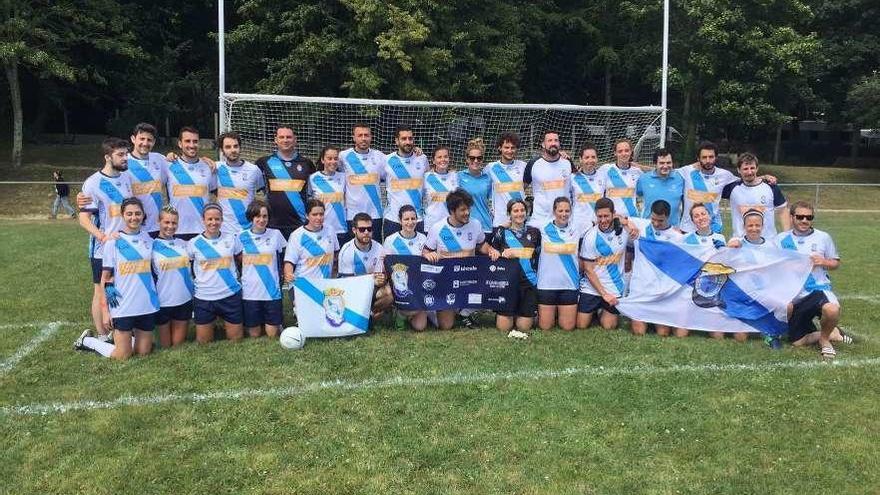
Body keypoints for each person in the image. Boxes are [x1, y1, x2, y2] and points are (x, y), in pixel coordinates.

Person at [74, 198, 158, 360]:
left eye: (138, 214)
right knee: (122, 355)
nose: (134, 217)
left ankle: (124, 338)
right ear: (122, 216)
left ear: (143, 215)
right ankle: (88, 341)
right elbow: (105, 278)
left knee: (144, 352)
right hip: (122, 305)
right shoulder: (113, 242)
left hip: (146, 304)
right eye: (129, 214)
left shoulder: (149, 239)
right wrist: (106, 312)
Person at [776, 201, 848, 359]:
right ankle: (834, 333)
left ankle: (824, 340)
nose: (804, 220)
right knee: (796, 342)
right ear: (792, 217)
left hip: (818, 289)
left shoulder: (823, 237)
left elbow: (835, 263)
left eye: (809, 217)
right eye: (800, 216)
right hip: (794, 293)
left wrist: (823, 262)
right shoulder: (781, 239)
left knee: (832, 310)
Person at [78, 137, 133, 340]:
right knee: (100, 289)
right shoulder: (93, 183)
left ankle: (118, 328)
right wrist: (103, 237)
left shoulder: (127, 179)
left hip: (124, 245)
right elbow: (84, 219)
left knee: (119, 286)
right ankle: (102, 335)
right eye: (120, 154)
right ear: (107, 157)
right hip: (102, 248)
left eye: (126, 153)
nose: (125, 157)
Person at [423, 189, 500, 330]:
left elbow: (482, 244)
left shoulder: (475, 224)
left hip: (469, 278)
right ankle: (439, 310)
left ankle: (465, 312)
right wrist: (427, 255)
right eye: (463, 210)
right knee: (446, 326)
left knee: (494, 285)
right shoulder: (438, 228)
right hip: (446, 281)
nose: (467, 213)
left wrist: (491, 250)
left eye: (468, 209)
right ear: (452, 211)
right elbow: (426, 251)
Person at [188, 203, 244, 344]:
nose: (214, 222)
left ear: (222, 220)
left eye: (217, 219)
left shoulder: (231, 239)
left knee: (236, 340)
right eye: (210, 219)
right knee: (204, 342)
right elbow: (187, 268)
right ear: (203, 220)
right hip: (204, 297)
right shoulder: (193, 243)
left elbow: (242, 261)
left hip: (230, 294)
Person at [626, 199, 684, 336]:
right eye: (653, 219)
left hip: (661, 291)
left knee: (663, 333)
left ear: (668, 217)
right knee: (638, 332)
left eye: (660, 221)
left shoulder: (677, 237)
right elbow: (618, 217)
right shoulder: (641, 225)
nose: (656, 223)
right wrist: (629, 224)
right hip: (640, 289)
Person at [255, 125, 315, 240]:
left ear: (295, 139)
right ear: (276, 140)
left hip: (300, 223)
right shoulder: (264, 163)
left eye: (289, 137)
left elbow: (312, 192)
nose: (285, 140)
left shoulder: (307, 164)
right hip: (272, 224)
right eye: (281, 137)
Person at [577, 198, 629, 330]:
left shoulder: (624, 231)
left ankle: (600, 311)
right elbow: (588, 270)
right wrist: (604, 294)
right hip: (592, 287)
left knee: (609, 326)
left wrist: (629, 223)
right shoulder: (590, 236)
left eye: (606, 216)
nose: (603, 220)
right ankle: (594, 310)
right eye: (600, 216)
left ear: (614, 214)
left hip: (614, 287)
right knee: (581, 325)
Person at [490, 198, 541, 334]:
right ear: (509, 214)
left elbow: (538, 255)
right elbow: (493, 251)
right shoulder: (501, 232)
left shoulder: (535, 232)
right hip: (508, 283)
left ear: (527, 212)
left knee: (523, 327)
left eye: (522, 210)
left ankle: (531, 313)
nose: (519, 213)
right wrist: (496, 252)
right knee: (503, 328)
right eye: (515, 211)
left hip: (529, 282)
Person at [678, 203, 726, 339]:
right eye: (696, 216)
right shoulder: (686, 239)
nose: (700, 218)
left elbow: (724, 264)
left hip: (712, 288)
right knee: (681, 334)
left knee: (718, 336)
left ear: (710, 216)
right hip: (690, 289)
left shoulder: (720, 238)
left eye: (703, 214)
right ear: (692, 221)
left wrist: (724, 250)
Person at [726, 209, 774, 344]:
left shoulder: (771, 245)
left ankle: (767, 324)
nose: (754, 228)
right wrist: (728, 248)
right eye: (750, 225)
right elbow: (724, 261)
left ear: (763, 226)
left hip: (764, 295)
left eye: (757, 225)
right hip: (742, 295)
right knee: (740, 338)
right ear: (744, 227)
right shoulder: (736, 243)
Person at [150, 205, 194, 348]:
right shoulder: (151, 246)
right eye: (166, 222)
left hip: (184, 300)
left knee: (177, 346)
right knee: (165, 347)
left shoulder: (184, 244)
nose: (170, 226)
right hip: (163, 303)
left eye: (174, 223)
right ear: (159, 222)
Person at [536, 196, 580, 331]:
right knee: (545, 327)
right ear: (554, 211)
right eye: (560, 211)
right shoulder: (542, 227)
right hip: (546, 284)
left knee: (568, 327)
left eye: (567, 211)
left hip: (569, 284)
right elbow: (518, 220)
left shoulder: (577, 228)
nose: (564, 214)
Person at [722, 152, 789, 239]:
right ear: (738, 170)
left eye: (752, 168)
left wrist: (787, 236)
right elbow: (710, 191)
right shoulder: (732, 188)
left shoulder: (771, 187)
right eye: (745, 169)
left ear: (757, 168)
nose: (749, 172)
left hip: (768, 243)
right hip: (741, 244)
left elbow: (783, 211)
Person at [338, 212, 393, 318]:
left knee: (389, 293)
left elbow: (382, 275)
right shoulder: (347, 250)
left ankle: (369, 314)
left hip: (371, 288)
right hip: (352, 291)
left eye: (369, 229)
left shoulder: (379, 248)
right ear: (354, 230)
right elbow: (347, 283)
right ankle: (366, 314)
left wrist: (383, 278)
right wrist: (372, 280)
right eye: (362, 229)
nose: (366, 232)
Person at [166, 126, 216, 241]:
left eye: (195, 141)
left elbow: (220, 195)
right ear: (180, 143)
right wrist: (169, 155)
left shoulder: (209, 167)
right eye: (187, 141)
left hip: (203, 230)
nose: (192, 145)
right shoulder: (168, 165)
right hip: (175, 229)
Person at [383, 204, 428, 330]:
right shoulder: (391, 240)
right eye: (406, 219)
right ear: (400, 221)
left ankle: (405, 314)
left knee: (420, 327)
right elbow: (384, 264)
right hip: (398, 285)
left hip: (418, 285)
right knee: (388, 294)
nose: (410, 222)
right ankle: (400, 312)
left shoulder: (423, 238)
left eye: (413, 219)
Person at [339, 123, 386, 242]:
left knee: (374, 250)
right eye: (360, 135)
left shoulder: (380, 157)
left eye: (367, 135)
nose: (363, 138)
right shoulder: (343, 156)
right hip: (352, 214)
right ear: (353, 137)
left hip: (375, 214)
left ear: (371, 137)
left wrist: (416, 151)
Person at [677, 141, 738, 233]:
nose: (708, 160)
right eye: (704, 157)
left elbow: (745, 180)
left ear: (716, 158)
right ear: (698, 158)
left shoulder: (724, 175)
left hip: (713, 228)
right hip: (689, 229)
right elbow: (664, 172)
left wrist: (763, 177)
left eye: (711, 157)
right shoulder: (686, 171)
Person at [215, 131, 265, 235]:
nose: (233, 150)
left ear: (240, 147)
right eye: (228, 147)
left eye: (236, 146)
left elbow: (266, 193)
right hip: (224, 230)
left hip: (248, 230)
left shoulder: (254, 170)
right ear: (222, 150)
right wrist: (171, 156)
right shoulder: (216, 168)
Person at [383, 125, 428, 237]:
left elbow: (433, 176)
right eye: (404, 139)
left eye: (410, 138)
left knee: (418, 254)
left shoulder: (422, 159)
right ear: (396, 141)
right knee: (392, 254)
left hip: (416, 219)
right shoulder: (386, 160)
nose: (408, 142)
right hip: (393, 219)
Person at [283, 199, 339, 291]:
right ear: (307, 216)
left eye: (321, 214)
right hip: (303, 285)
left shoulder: (330, 230)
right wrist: (288, 276)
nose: (318, 218)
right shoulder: (297, 235)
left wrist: (334, 277)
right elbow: (289, 262)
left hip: (325, 285)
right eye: (314, 214)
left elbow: (336, 255)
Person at [126, 123, 168, 237]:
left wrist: (205, 161)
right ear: (133, 139)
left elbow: (184, 166)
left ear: (154, 142)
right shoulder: (124, 162)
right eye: (142, 139)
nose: (145, 143)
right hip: (133, 227)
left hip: (157, 227)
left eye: (149, 140)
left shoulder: (160, 159)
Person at [524, 130, 572, 228]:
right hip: (540, 221)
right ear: (543, 144)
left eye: (556, 140)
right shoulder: (533, 164)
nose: (553, 143)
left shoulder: (567, 162)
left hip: (564, 220)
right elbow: (522, 188)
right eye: (549, 140)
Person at [309, 145, 348, 247]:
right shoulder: (313, 178)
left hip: (340, 229)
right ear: (322, 160)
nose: (333, 161)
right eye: (329, 158)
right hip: (321, 228)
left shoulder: (344, 177)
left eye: (335, 158)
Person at [487, 132, 527, 228]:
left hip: (519, 221)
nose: (510, 151)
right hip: (500, 222)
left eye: (513, 147)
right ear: (500, 148)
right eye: (506, 147)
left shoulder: (523, 166)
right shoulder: (490, 168)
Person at [636, 147, 685, 226]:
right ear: (655, 164)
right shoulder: (644, 179)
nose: (665, 166)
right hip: (648, 228)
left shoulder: (680, 179)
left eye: (668, 163)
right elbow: (633, 198)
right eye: (661, 163)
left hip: (673, 230)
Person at [598, 138, 643, 219]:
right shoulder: (606, 169)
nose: (624, 154)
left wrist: (643, 167)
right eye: (620, 151)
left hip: (632, 218)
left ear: (631, 152)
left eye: (626, 150)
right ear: (615, 153)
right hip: (612, 218)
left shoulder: (637, 172)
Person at [570, 143, 606, 236]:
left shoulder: (603, 176)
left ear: (597, 159)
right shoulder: (572, 178)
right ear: (580, 159)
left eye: (593, 157)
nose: (590, 160)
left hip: (598, 228)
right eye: (587, 157)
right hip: (577, 228)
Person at [457, 138, 493, 234]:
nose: (476, 161)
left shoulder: (488, 179)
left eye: (479, 158)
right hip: (465, 226)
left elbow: (492, 203)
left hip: (485, 226)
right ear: (467, 159)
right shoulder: (458, 176)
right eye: (472, 158)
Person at [423, 146, 458, 232]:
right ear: (433, 161)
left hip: (451, 225)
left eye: (445, 156)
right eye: (439, 157)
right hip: (431, 225)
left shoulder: (455, 176)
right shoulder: (426, 177)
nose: (443, 159)